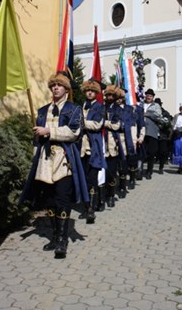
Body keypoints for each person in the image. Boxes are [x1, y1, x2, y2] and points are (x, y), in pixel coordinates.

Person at [20, 72, 89, 259]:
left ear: (66, 89)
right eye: (53, 85)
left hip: (63, 159)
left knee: (62, 199)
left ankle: (62, 240)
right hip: (44, 160)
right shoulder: (42, 110)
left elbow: (74, 132)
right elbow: (37, 140)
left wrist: (49, 131)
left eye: (59, 85)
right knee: (49, 200)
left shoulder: (74, 109)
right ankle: (53, 235)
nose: (56, 88)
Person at [79, 78, 106, 224]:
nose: (90, 93)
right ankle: (85, 206)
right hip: (80, 148)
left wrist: (81, 123)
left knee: (92, 179)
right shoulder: (81, 106)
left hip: (93, 147)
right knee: (83, 179)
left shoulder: (100, 107)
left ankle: (91, 209)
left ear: (96, 93)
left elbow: (97, 124)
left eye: (92, 91)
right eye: (88, 91)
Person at [103, 84, 122, 207]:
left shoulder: (117, 109)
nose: (109, 97)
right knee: (101, 173)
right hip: (100, 144)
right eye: (108, 95)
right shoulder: (101, 107)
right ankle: (101, 197)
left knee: (111, 172)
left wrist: (104, 123)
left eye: (111, 95)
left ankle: (110, 195)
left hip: (112, 144)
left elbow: (116, 125)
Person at [143, 88, 162, 179]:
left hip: (152, 132)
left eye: (150, 96)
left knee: (151, 153)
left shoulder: (156, 106)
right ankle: (139, 171)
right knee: (141, 153)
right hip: (141, 132)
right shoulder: (141, 104)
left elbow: (159, 116)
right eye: (147, 95)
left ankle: (149, 171)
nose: (148, 97)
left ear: (153, 97)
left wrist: (148, 114)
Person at [154, 98, 172, 174]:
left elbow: (168, 123)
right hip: (154, 134)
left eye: (159, 105)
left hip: (163, 135)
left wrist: (163, 125)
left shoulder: (165, 113)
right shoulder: (152, 112)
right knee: (152, 151)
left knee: (163, 152)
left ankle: (161, 167)